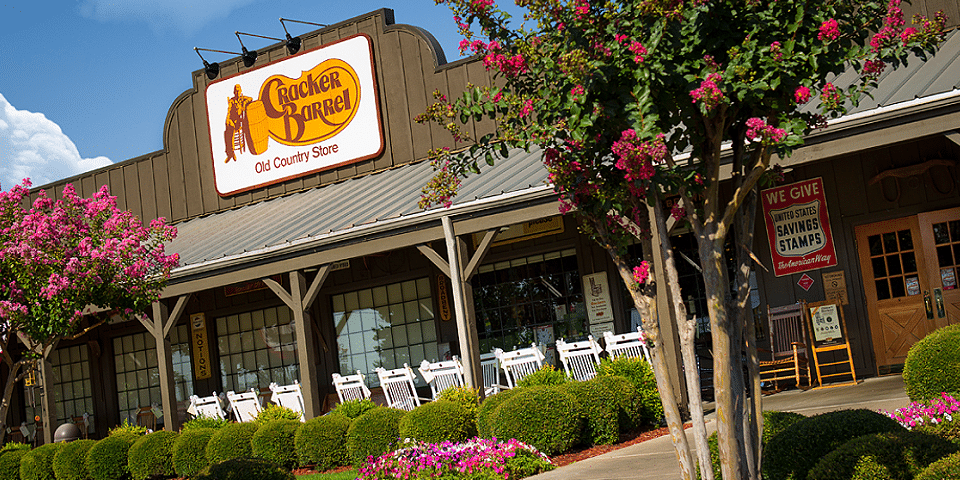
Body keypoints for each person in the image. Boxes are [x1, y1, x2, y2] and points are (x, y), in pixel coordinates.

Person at [224, 84, 252, 163]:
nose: (237, 92)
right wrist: (227, 119)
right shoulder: (232, 101)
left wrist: (244, 105)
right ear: (234, 92)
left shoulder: (243, 98)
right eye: (236, 91)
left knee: (230, 131)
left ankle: (231, 153)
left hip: (240, 122)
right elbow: (229, 111)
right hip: (233, 120)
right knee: (227, 132)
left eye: (238, 90)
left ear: (240, 91)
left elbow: (250, 98)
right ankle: (231, 153)